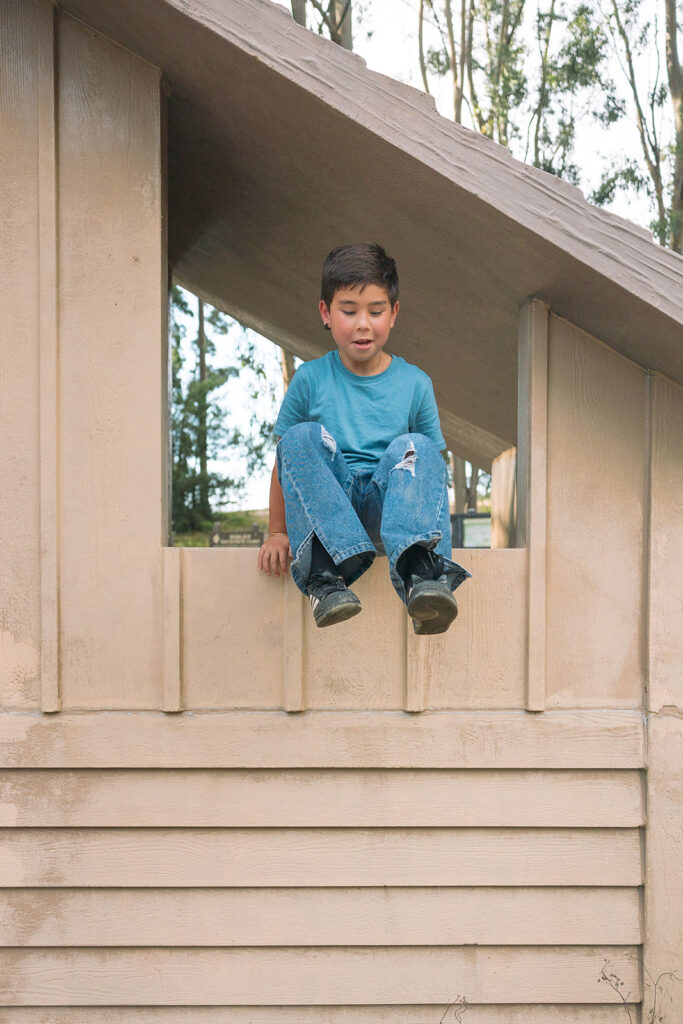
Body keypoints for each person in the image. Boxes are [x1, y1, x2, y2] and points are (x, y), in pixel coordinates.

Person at [257, 242, 470, 634]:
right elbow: (285, 461)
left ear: (394, 314)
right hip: (331, 510)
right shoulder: (309, 379)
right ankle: (325, 579)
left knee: (419, 448)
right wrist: (277, 532)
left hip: (391, 509)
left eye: (375, 311)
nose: (363, 324)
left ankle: (420, 573)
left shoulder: (415, 384)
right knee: (299, 438)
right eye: (349, 311)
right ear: (325, 312)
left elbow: (431, 477)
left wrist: (439, 553)